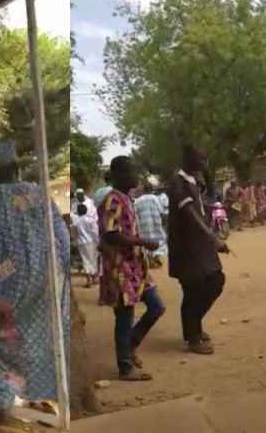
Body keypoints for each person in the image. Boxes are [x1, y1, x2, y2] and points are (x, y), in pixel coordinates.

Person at [0, 138, 70, 422]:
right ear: (16, 166)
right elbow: (61, 237)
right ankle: (44, 393)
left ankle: (4, 400)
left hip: (5, 285)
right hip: (42, 281)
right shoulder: (38, 194)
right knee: (38, 337)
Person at [99, 156, 165, 381]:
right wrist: (143, 242)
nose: (136, 177)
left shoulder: (126, 199)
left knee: (156, 307)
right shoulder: (113, 200)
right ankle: (125, 367)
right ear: (119, 175)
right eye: (131, 172)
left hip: (136, 267)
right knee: (124, 317)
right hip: (120, 268)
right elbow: (111, 234)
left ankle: (130, 346)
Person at [168, 145, 229, 355]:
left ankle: (193, 330)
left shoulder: (193, 181)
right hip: (188, 248)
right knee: (201, 287)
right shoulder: (178, 182)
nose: (205, 164)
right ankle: (193, 337)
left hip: (198, 246)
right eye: (202, 159)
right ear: (189, 159)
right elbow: (189, 214)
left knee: (206, 284)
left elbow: (199, 211)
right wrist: (214, 239)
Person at [134, 183, 168, 268]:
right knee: (159, 242)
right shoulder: (156, 199)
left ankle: (149, 258)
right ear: (152, 190)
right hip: (156, 224)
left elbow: (135, 215)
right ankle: (156, 257)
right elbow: (162, 213)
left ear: (144, 190)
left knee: (146, 243)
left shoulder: (137, 201)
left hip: (143, 226)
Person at [72, 204, 99, 288]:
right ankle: (94, 278)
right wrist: (97, 241)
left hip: (82, 243)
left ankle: (89, 280)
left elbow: (74, 233)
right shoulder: (90, 220)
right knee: (93, 259)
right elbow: (95, 232)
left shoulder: (76, 222)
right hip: (92, 242)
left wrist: (76, 241)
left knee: (85, 261)